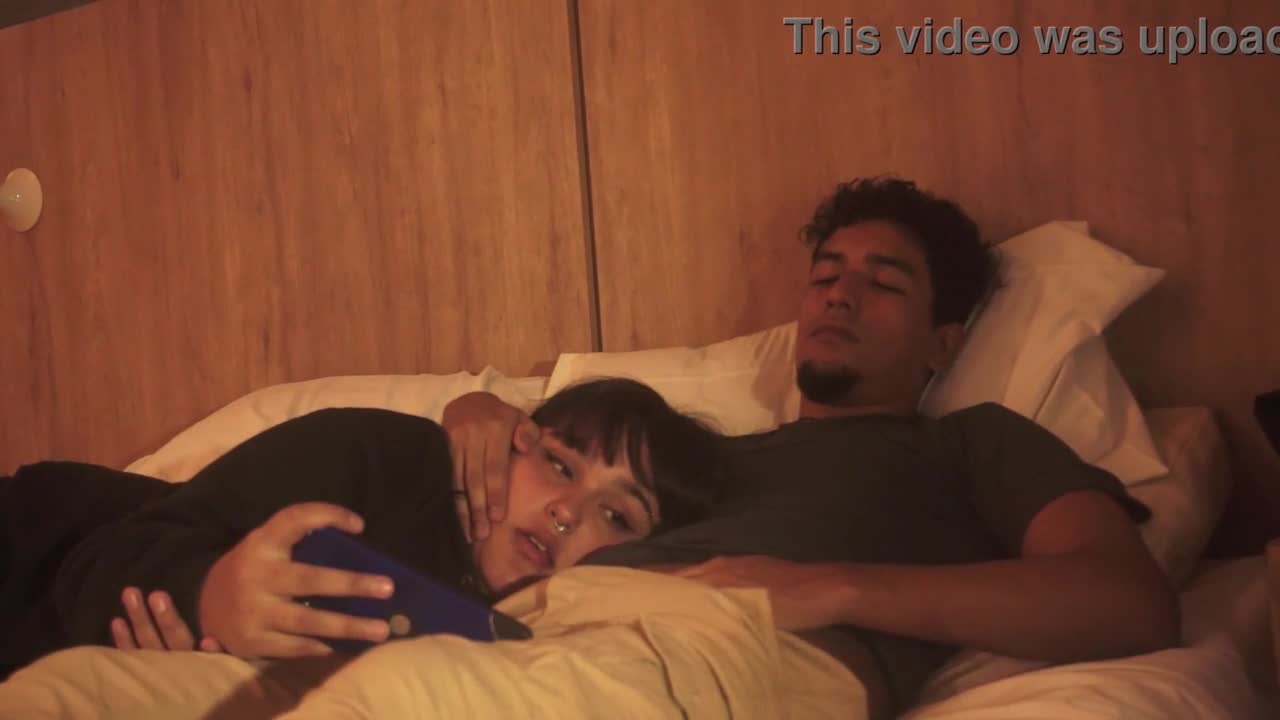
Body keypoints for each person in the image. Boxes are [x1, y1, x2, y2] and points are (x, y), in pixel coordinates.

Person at [441, 176, 1179, 718]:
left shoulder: (970, 443)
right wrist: (477, 413)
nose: (839, 295)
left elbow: (1127, 602)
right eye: (826, 275)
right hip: (540, 626)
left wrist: (832, 589)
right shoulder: (701, 459)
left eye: (882, 284)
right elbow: (568, 496)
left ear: (942, 345)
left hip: (736, 658)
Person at [0, 377, 723, 679]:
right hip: (33, 546)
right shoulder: (386, 459)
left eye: (616, 515)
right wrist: (209, 595)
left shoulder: (552, 641)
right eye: (560, 466)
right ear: (515, 443)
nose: (568, 510)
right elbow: (108, 556)